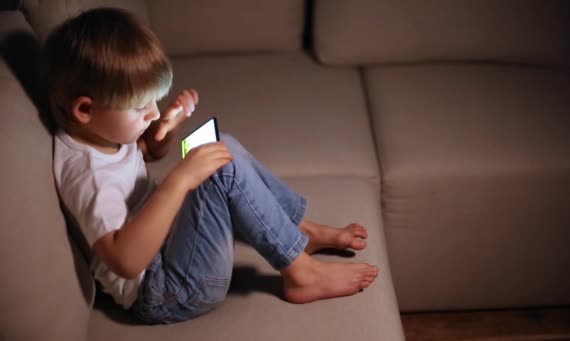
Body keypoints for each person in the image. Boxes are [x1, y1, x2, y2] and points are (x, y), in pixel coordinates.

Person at [46, 7, 378, 324]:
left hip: (171, 244)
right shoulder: (86, 177)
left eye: (153, 101)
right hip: (164, 291)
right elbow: (126, 262)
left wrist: (166, 127)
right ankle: (302, 274)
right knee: (218, 167)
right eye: (139, 107)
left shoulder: (100, 131)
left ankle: (298, 232)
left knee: (221, 148)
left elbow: (146, 151)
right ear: (85, 110)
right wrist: (180, 181)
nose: (150, 112)